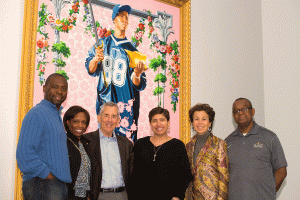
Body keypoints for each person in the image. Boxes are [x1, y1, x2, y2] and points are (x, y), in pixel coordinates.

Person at [85, 4, 147, 142]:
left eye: (126, 17)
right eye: (121, 16)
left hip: (126, 106)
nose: (125, 20)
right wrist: (96, 58)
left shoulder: (133, 51)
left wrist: (137, 74)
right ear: (114, 20)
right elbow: (90, 69)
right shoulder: (102, 44)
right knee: (104, 144)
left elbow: (139, 84)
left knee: (126, 149)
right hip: (105, 101)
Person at [16, 73, 71, 200]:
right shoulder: (37, 114)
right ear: (44, 88)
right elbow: (24, 154)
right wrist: (48, 175)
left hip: (54, 185)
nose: (59, 91)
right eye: (55, 87)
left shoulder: (54, 114)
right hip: (42, 185)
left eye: (64, 88)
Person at [225, 98, 287, 200]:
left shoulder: (269, 137)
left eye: (244, 109)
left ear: (252, 111)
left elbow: (281, 171)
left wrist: (268, 192)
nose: (240, 113)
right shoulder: (227, 142)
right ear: (233, 115)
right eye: (236, 110)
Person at [131, 107, 193, 200]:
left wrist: (177, 195)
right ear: (150, 124)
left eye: (162, 120)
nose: (158, 124)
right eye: (154, 120)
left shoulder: (178, 145)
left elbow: (185, 174)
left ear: (168, 123)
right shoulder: (140, 144)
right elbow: (133, 173)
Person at [84, 102, 133, 200]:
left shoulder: (126, 144)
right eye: (106, 115)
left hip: (122, 195)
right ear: (99, 118)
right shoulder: (86, 141)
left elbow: (131, 173)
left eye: (114, 116)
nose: (110, 120)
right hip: (98, 196)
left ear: (118, 121)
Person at [186, 103, 229, 200]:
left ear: (210, 123)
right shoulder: (188, 146)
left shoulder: (219, 144)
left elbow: (224, 177)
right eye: (196, 119)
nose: (200, 122)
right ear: (192, 122)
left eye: (204, 119)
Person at [63, 106, 92, 199]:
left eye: (83, 122)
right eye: (76, 121)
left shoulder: (87, 143)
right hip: (67, 195)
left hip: (83, 195)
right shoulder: (62, 142)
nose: (80, 125)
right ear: (68, 122)